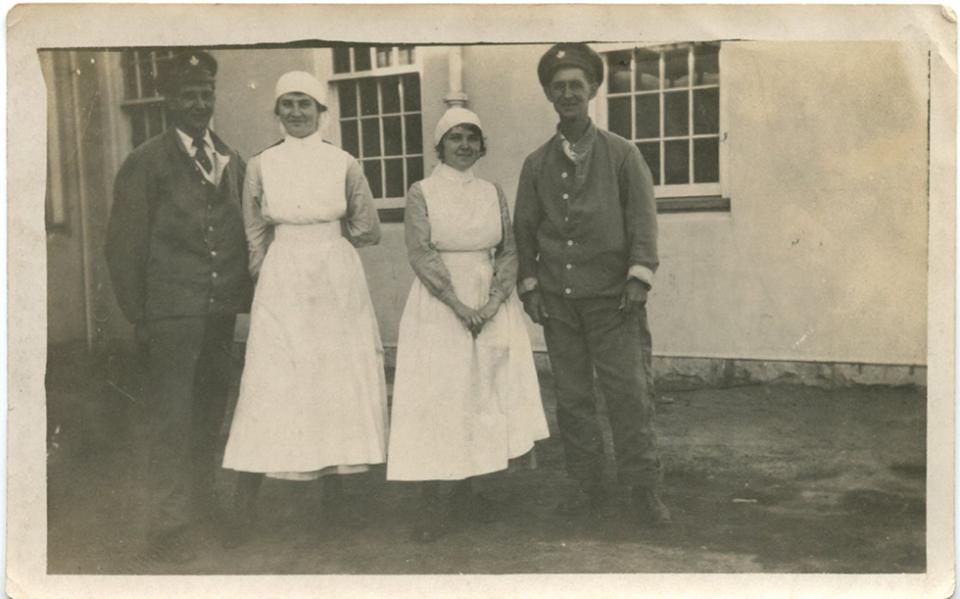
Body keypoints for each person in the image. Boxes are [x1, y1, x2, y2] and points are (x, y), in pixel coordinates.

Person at [220, 71, 387, 547]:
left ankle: (336, 499)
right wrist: (265, 271)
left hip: (335, 280)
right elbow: (253, 228)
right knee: (273, 380)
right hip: (282, 277)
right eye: (288, 104)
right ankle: (245, 500)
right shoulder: (261, 164)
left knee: (332, 380)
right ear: (277, 111)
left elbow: (367, 226)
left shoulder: (344, 162)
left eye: (305, 104)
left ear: (320, 111)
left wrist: (331, 248)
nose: (296, 112)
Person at [513, 43, 672, 526]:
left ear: (594, 91)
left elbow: (643, 223)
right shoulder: (536, 164)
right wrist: (530, 287)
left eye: (576, 86)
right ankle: (586, 484)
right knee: (574, 397)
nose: (567, 94)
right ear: (548, 94)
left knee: (628, 394)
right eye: (558, 87)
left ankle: (642, 488)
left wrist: (638, 279)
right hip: (559, 304)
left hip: (614, 302)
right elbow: (524, 231)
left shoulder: (622, 155)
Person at [106, 50, 252, 563]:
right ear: (170, 102)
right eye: (188, 95)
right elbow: (124, 246)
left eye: (205, 95)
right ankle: (168, 522)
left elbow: (238, 232)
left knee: (211, 412)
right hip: (170, 314)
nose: (199, 103)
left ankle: (206, 507)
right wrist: (140, 315)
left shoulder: (229, 156)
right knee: (170, 417)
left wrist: (242, 295)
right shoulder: (146, 161)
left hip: (218, 312)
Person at [387, 107, 550, 542]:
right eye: (455, 138)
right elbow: (421, 252)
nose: (464, 145)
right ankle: (431, 501)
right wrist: (458, 305)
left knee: (481, 394)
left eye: (471, 138)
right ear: (439, 146)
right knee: (438, 397)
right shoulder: (422, 191)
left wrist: (495, 300)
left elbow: (509, 250)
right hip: (439, 304)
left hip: (489, 301)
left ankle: (466, 490)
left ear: (481, 145)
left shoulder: (491, 190)